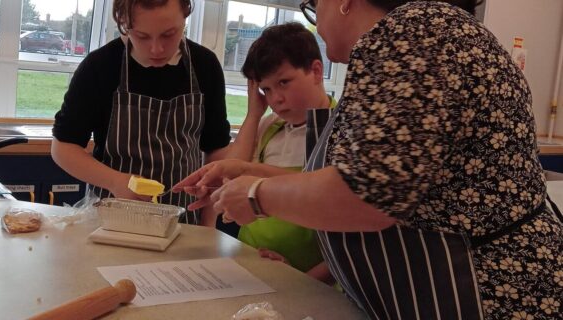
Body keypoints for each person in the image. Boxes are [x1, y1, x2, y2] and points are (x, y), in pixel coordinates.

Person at [174, 0, 563, 319]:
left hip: (485, 293)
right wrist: (246, 173)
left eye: (314, 6)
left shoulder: (414, 33)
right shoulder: (423, 37)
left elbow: (366, 195)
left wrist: (257, 194)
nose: (318, 23)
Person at [52, 0, 251, 224]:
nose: (156, 49)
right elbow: (63, 148)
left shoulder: (204, 65)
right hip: (111, 222)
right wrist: (116, 181)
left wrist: (208, 229)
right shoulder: (101, 66)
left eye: (169, 34)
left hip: (184, 223)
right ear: (123, 23)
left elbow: (216, 151)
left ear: (185, 16)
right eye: (142, 36)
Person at [210, 22, 336, 281]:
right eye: (266, 89)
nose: (276, 98)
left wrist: (304, 279)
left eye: (284, 82)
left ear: (316, 71)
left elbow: (342, 221)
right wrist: (254, 114)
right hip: (248, 263)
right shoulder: (269, 126)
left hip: (306, 278)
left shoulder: (339, 130)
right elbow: (231, 176)